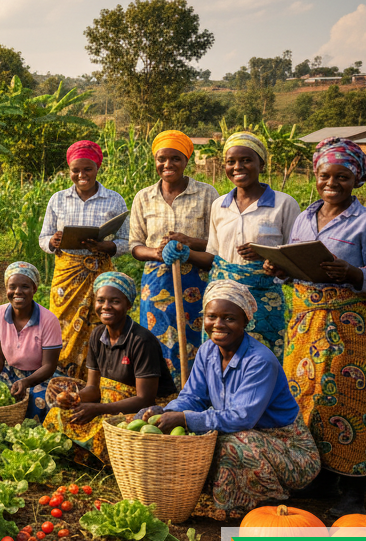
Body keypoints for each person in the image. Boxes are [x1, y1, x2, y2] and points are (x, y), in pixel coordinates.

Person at [268, 137, 366, 516]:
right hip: (304, 323)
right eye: (325, 175)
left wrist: (352, 272)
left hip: (347, 327)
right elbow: (299, 267)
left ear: (356, 179)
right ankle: (320, 478)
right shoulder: (304, 217)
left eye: (341, 176)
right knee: (303, 400)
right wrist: (280, 269)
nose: (332, 183)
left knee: (347, 401)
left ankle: (354, 491)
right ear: (316, 175)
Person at [140, 281, 321, 519]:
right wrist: (166, 412)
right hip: (248, 436)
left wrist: (184, 419)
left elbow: (242, 418)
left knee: (231, 441)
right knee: (210, 434)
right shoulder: (207, 351)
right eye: (211, 316)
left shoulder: (259, 361)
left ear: (246, 321)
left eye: (229, 318)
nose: (218, 324)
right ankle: (232, 499)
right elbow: (193, 397)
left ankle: (266, 502)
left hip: (290, 451)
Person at [42, 271, 177, 464]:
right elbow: (93, 388)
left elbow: (144, 399)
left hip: (145, 410)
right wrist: (76, 398)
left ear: (128, 305)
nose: (106, 306)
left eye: (115, 301)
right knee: (59, 414)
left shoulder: (142, 341)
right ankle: (86, 457)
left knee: (115, 430)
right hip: (107, 404)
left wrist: (97, 409)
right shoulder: (97, 335)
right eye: (101, 300)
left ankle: (98, 459)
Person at [128, 129, 217, 382]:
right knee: (156, 336)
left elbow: (217, 243)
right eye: (162, 159)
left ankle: (194, 388)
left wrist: (188, 243)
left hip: (196, 279)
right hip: (157, 281)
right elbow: (135, 245)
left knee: (197, 334)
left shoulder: (207, 194)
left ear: (186, 161)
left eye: (175, 158)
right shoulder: (144, 197)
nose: (168, 164)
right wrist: (157, 252)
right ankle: (161, 388)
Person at [205, 131, 300, 362]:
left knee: (262, 358)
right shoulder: (220, 205)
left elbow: (297, 259)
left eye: (246, 160)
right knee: (222, 359)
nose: (238, 167)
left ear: (262, 164)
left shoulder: (284, 204)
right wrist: (184, 250)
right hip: (221, 302)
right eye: (231, 162)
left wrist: (268, 256)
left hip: (263, 300)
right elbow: (214, 255)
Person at [38, 140, 131, 378]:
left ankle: (95, 376)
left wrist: (105, 246)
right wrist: (53, 242)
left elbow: (127, 241)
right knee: (61, 322)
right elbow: (43, 238)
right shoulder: (58, 199)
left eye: (87, 169)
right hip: (66, 273)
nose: (81, 175)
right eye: (75, 170)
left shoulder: (114, 199)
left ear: (97, 168)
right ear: (69, 170)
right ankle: (62, 377)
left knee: (99, 321)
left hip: (99, 271)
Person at [0, 261, 61, 421]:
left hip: (40, 375)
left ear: (34, 289)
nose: (17, 292)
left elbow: (49, 366)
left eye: (25, 287)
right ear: (6, 288)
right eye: (12, 286)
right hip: (10, 371)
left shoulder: (49, 320)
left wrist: (26, 382)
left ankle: (29, 429)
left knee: (41, 400)